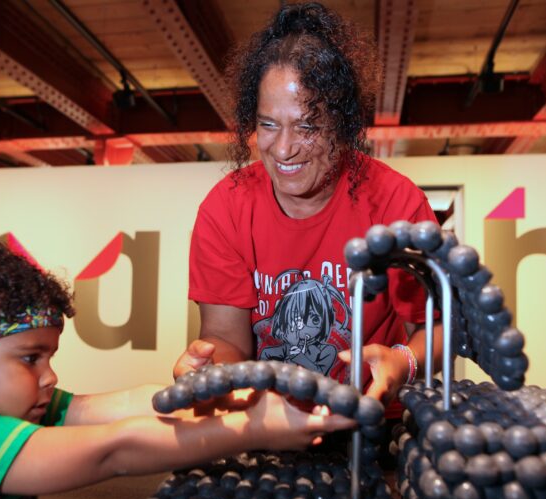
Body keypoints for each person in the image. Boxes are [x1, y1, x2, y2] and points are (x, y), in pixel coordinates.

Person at [0, 244, 355, 499]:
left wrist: (225, 396)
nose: (50, 377)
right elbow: (113, 450)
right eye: (30, 359)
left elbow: (125, 405)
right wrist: (251, 430)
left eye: (48, 358)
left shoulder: (15, 412)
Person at [173, 2, 443, 414]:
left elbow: (433, 330)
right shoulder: (225, 209)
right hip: (270, 429)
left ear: (343, 123)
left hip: (370, 428)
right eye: (267, 124)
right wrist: (214, 374)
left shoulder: (394, 201)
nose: (283, 148)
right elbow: (227, 340)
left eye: (307, 126)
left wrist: (403, 363)